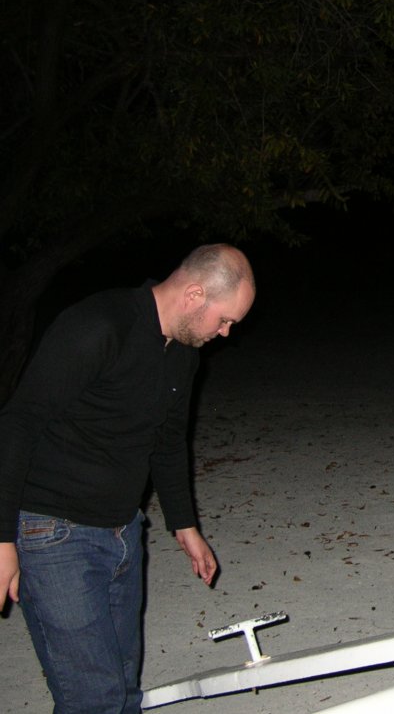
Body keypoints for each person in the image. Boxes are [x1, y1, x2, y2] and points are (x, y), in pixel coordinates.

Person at [0, 243, 256, 713]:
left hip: (122, 533)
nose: (224, 334)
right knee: (93, 700)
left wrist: (185, 525)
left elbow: (167, 438)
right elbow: (18, 423)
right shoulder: (98, 326)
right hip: (54, 534)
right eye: (225, 320)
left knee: (122, 691)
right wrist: (1, 543)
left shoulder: (182, 352)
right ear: (195, 294)